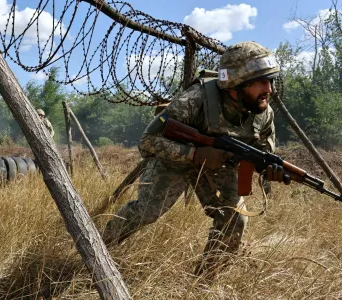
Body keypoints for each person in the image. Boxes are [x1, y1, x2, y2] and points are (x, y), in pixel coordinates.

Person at [102, 41, 289, 276]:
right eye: (262, 82)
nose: (269, 89)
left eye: (270, 80)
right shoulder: (195, 99)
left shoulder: (264, 113)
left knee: (235, 219)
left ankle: (203, 281)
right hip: (175, 159)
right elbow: (148, 141)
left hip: (219, 163)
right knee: (148, 211)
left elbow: (263, 150)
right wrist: (194, 153)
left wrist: (267, 169)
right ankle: (96, 249)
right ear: (237, 84)